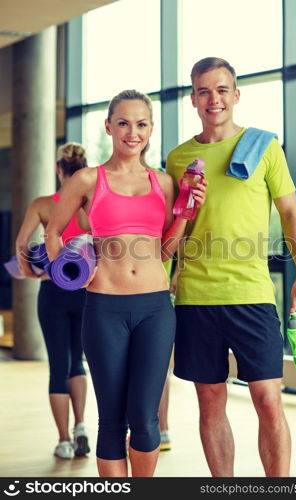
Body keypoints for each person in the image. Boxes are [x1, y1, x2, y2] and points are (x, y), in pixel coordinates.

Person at [166, 57, 296, 477]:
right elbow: (172, 228)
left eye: (221, 90)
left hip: (251, 294)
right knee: (210, 400)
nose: (213, 99)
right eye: (203, 91)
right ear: (193, 98)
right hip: (196, 295)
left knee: (269, 398)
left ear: (235, 95)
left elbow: (290, 213)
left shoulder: (264, 146)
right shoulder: (178, 158)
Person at [45, 89, 206, 477]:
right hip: (104, 309)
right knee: (112, 420)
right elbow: (52, 233)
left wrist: (186, 212)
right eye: (123, 123)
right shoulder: (87, 179)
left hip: (154, 309)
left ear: (150, 130)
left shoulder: (164, 183)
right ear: (109, 127)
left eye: (141, 124)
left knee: (146, 418)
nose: (132, 133)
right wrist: (70, 280)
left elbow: (166, 251)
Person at [15, 142, 91, 460]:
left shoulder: (44, 204)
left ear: (58, 169)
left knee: (58, 365)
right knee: (78, 362)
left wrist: (31, 273)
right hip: (86, 291)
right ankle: (82, 426)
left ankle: (64, 441)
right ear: (83, 169)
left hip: (53, 291)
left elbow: (21, 244)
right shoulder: (89, 205)